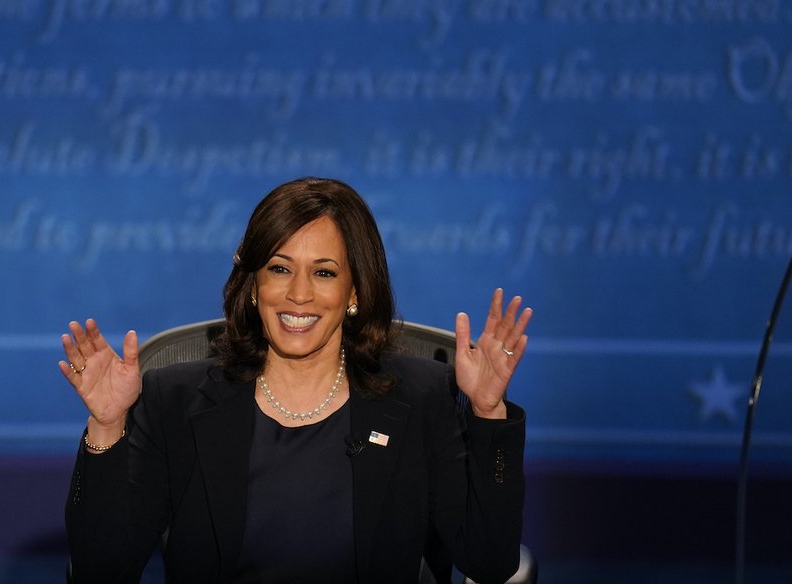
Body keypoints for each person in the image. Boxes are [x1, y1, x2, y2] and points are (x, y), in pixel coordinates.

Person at [60, 177, 532, 584]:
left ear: (355, 292)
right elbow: (102, 571)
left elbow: (488, 564)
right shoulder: (175, 401)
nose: (299, 295)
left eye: (323, 273)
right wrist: (106, 425)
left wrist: (488, 412)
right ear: (254, 286)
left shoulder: (422, 396)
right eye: (279, 269)